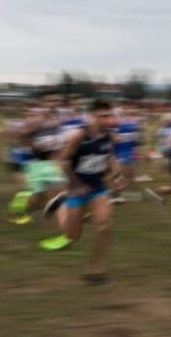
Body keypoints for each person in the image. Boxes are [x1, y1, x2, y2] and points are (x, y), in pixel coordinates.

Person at [44, 99, 124, 284]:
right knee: (72, 236)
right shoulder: (79, 135)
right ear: (92, 116)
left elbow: (110, 157)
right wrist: (76, 184)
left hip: (97, 187)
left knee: (104, 227)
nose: (107, 120)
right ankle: (60, 205)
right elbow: (62, 161)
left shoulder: (108, 135)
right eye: (103, 116)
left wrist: (118, 175)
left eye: (109, 116)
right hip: (76, 188)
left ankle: (96, 270)